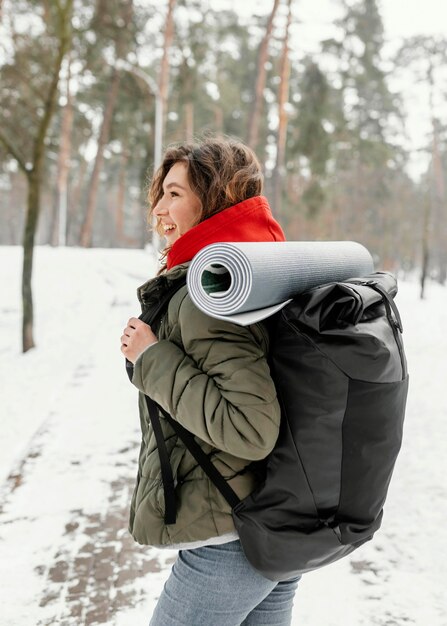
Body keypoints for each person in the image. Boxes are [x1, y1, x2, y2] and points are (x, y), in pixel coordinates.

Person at [120, 136, 300, 626]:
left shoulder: (209, 293)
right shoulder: (254, 271)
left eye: (175, 193)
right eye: (161, 193)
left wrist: (152, 357)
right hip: (265, 527)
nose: (159, 207)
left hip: (229, 545)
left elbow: (251, 428)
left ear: (216, 199)